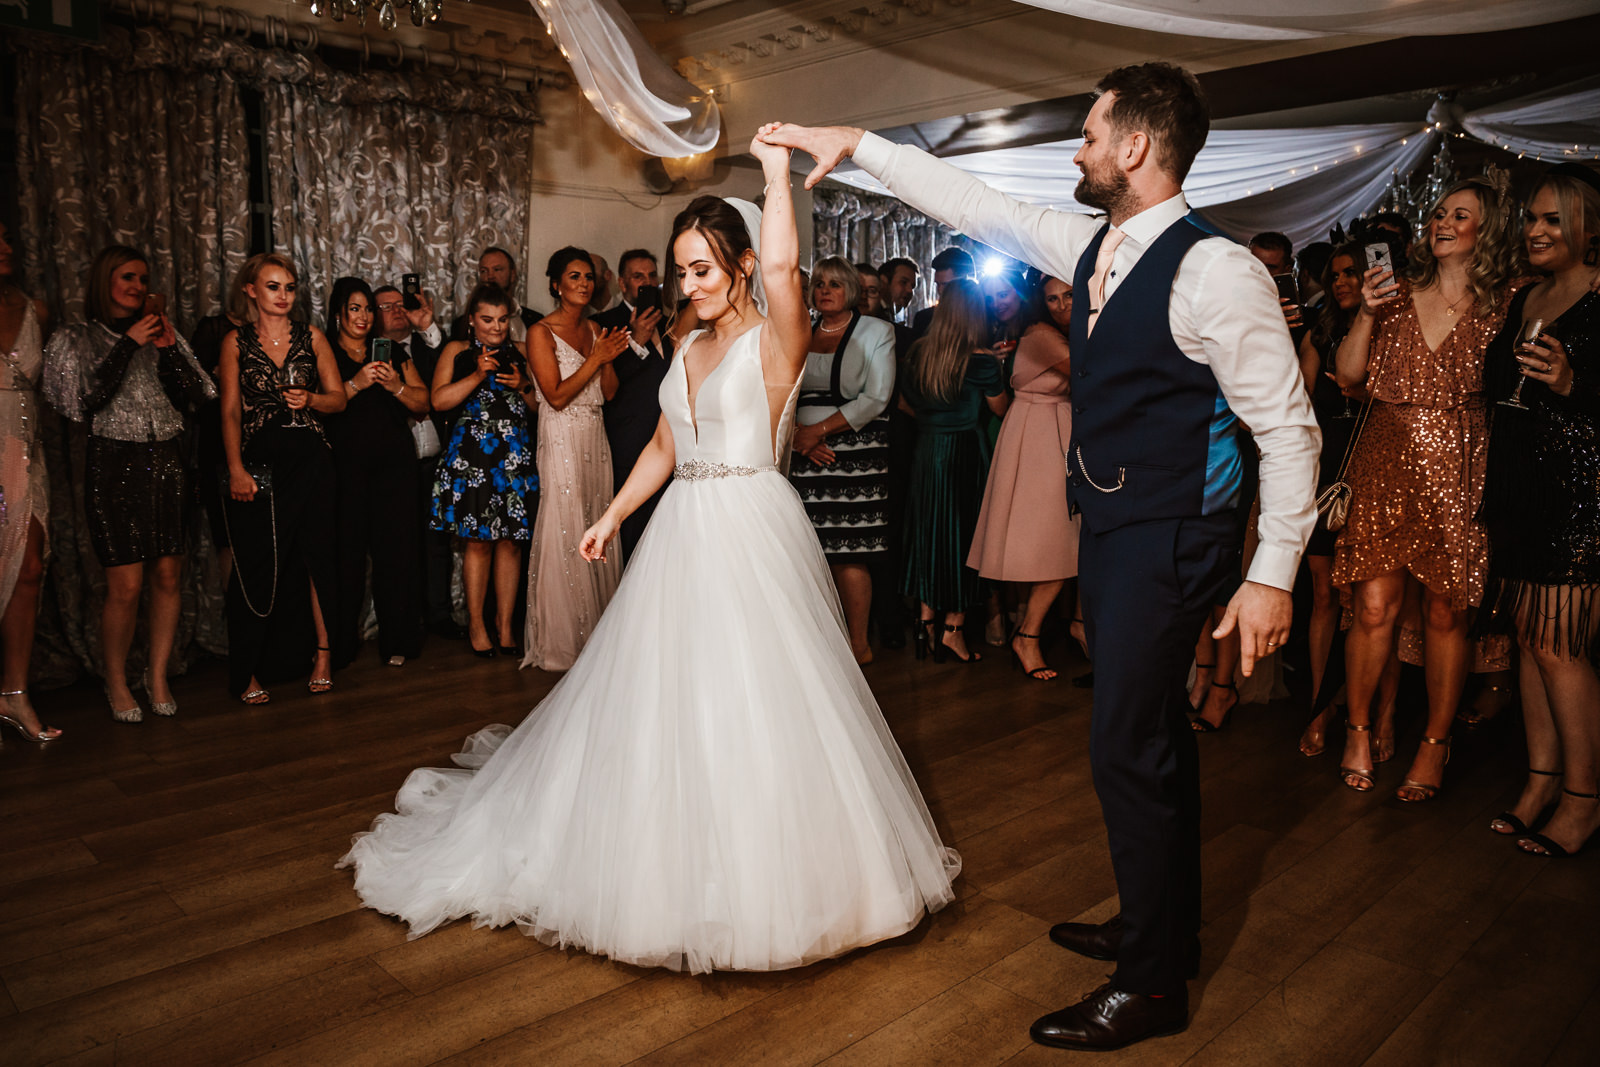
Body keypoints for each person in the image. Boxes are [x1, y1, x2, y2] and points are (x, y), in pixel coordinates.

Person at [767, 59, 1318, 1051]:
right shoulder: (1097, 242)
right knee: (1144, 735)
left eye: (1091, 132)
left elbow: (1289, 430)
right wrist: (859, 148)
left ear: (1135, 148)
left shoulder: (1216, 269)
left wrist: (1271, 571)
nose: (1077, 149)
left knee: (1126, 743)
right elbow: (975, 205)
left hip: (1170, 533)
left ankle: (1150, 983)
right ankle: (1162, 926)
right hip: (1112, 525)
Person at [340, 128, 960, 973]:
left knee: (757, 697)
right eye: (681, 269)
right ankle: (659, 854)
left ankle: (767, 880)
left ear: (739, 265)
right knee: (668, 698)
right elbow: (667, 445)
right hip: (681, 529)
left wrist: (778, 177)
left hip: (751, 523)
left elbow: (784, 274)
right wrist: (609, 512)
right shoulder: (686, 342)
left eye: (704, 267)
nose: (689, 284)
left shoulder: (774, 339)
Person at [1333, 177, 1524, 802]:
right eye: (1439, 213)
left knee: (1447, 613)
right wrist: (1363, 311)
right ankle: (1358, 730)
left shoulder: (1508, 304)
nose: (1443, 223)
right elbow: (1350, 375)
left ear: (1487, 230)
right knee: (1372, 609)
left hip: (1462, 463)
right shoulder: (1393, 297)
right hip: (1386, 458)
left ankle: (1435, 744)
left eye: (1459, 215)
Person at [1480, 164, 1600, 858]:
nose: (1537, 229)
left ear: (1588, 227)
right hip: (1521, 489)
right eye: (1532, 218)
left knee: (1563, 646)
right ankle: (1540, 781)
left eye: (1554, 219)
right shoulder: (1528, 296)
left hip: (1580, 495)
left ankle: (1584, 801)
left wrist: (1575, 382)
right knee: (1530, 641)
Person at [44, 245, 217, 722]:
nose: (138, 287)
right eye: (128, 278)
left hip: (166, 461)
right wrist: (127, 345)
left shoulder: (166, 334)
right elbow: (85, 403)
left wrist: (165, 351)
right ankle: (116, 681)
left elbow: (197, 397)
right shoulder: (77, 338)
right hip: (113, 465)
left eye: (143, 279)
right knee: (124, 585)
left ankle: (157, 674)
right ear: (106, 282)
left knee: (167, 575)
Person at [217, 253, 347, 704]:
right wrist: (235, 468)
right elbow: (230, 411)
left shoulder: (311, 338)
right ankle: (249, 669)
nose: (284, 295)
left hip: (312, 462)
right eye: (273, 286)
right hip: (261, 467)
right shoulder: (235, 342)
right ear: (252, 290)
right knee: (255, 565)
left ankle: (325, 658)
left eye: (289, 287)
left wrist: (310, 397)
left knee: (317, 562)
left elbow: (340, 399)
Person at [519, 248, 626, 671]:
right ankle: (563, 642)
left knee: (595, 517)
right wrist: (597, 358)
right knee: (566, 521)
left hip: (594, 433)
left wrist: (607, 358)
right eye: (574, 277)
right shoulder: (540, 333)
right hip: (561, 434)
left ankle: (599, 635)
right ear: (555, 285)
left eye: (588, 278)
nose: (584, 284)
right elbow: (557, 396)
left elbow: (611, 392)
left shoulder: (597, 328)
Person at [968, 275, 1079, 681]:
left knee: (1067, 540)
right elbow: (1092, 375)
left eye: (1068, 295)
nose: (1061, 304)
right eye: (1052, 298)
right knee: (1059, 539)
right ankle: (1027, 634)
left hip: (1054, 429)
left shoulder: (1053, 331)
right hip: (1037, 434)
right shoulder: (1042, 334)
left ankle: (1043, 628)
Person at [788, 256, 896, 664]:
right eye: (818, 284)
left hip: (854, 452)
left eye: (834, 283)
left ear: (850, 288)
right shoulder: (801, 330)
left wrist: (818, 432)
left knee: (849, 552)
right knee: (811, 552)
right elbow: (783, 390)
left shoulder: (876, 331)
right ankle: (820, 645)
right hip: (800, 452)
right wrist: (799, 437)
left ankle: (858, 644)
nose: (825, 290)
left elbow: (877, 396)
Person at [901, 279, 1008, 664]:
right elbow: (1001, 409)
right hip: (964, 451)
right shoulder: (980, 362)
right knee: (965, 539)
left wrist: (936, 422)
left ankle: (926, 622)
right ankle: (953, 630)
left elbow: (902, 402)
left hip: (927, 450)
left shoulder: (918, 354)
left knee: (930, 537)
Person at [326, 277, 431, 669]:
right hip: (344, 467)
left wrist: (396, 386)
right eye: (355, 308)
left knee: (397, 554)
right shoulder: (326, 351)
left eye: (368, 309)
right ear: (339, 312)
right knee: (346, 557)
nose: (363, 316)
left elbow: (424, 404)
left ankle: (398, 639)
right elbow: (321, 404)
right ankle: (339, 644)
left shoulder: (390, 353)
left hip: (394, 467)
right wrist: (357, 383)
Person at [430, 284, 538, 657]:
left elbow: (543, 406)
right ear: (472, 319)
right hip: (472, 460)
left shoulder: (522, 352)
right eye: (488, 320)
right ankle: (476, 623)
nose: (496, 328)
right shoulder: (456, 351)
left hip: (513, 458)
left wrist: (523, 385)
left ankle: (505, 626)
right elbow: (438, 400)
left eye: (503, 319)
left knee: (510, 542)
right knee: (477, 543)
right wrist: (477, 375)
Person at [0, 220, 59, 742]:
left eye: (6, 237)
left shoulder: (36, 311)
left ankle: (14, 694)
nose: (4, 247)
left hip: (24, 455)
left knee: (30, 569)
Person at [374, 284, 458, 640]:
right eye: (385, 306)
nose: (395, 311)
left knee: (437, 544)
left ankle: (439, 615)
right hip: (394, 466)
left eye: (400, 304)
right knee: (399, 545)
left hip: (436, 460)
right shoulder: (373, 354)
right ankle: (403, 621)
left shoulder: (428, 347)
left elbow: (448, 371)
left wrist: (426, 324)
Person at [594, 249, 683, 560]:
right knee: (633, 528)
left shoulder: (674, 320)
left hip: (673, 438)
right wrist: (636, 343)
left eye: (651, 276)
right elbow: (607, 389)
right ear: (622, 282)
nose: (646, 282)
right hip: (629, 438)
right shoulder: (604, 323)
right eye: (638, 276)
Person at [450, 248, 541, 343]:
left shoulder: (535, 320)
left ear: (512, 275)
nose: (490, 276)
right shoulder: (460, 325)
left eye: (497, 269)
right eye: (484, 271)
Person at [911, 247, 976, 337]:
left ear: (966, 283)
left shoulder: (983, 317)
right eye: (937, 284)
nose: (940, 290)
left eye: (946, 285)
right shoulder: (925, 318)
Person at [880, 256, 919, 325]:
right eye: (903, 282)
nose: (910, 291)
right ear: (884, 282)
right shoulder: (871, 314)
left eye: (913, 287)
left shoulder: (892, 316)